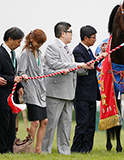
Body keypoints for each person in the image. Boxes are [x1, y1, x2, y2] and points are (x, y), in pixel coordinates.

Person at [42, 22, 91, 155]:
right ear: (63, 33)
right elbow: (55, 64)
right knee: (51, 124)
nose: (72, 35)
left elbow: (71, 69)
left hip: (69, 92)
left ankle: (64, 150)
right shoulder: (52, 47)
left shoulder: (67, 49)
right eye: (70, 32)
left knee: (66, 124)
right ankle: (44, 150)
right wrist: (79, 64)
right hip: (56, 93)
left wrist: (85, 68)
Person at [71, 25, 107, 153]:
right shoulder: (77, 51)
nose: (95, 40)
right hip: (81, 94)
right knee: (83, 123)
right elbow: (86, 66)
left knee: (91, 124)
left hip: (91, 93)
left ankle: (87, 149)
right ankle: (76, 149)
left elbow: (93, 62)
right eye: (93, 37)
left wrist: (99, 55)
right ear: (85, 38)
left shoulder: (89, 51)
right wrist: (99, 56)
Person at [18, 29, 48, 154]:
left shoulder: (39, 54)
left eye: (42, 43)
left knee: (44, 121)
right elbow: (21, 72)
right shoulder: (25, 53)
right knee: (35, 122)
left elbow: (43, 70)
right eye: (38, 42)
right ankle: (29, 147)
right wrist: (23, 75)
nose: (39, 45)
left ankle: (38, 149)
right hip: (30, 90)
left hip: (41, 90)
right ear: (31, 39)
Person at [0, 27, 24, 154]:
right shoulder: (0, 52)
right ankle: (2, 150)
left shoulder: (13, 54)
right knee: (3, 123)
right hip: (2, 96)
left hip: (12, 96)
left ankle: (10, 149)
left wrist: (20, 87)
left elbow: (13, 73)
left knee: (11, 123)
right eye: (18, 41)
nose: (20, 44)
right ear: (10, 39)